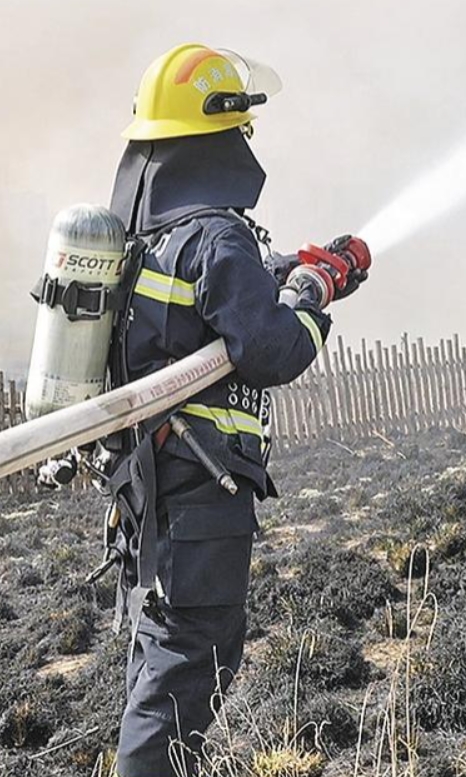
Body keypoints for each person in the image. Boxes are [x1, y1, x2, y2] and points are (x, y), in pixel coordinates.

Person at [100, 44, 369, 776]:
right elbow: (270, 347)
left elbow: (215, 299)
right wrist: (314, 298)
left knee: (159, 657)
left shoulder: (143, 238)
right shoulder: (216, 234)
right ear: (220, 137)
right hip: (201, 492)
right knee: (191, 657)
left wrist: (292, 266)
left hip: (145, 489)